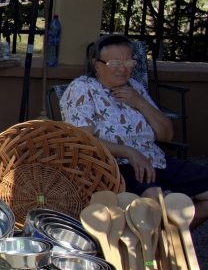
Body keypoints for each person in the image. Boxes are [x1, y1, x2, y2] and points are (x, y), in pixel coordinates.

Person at [61, 33, 208, 226]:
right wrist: (129, 152)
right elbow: (83, 140)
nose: (123, 69)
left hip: (156, 161)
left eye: (128, 62)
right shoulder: (82, 88)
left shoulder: (135, 87)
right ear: (96, 65)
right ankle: (162, 237)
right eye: (114, 63)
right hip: (115, 166)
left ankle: (170, 236)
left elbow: (166, 134)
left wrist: (139, 102)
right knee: (154, 202)